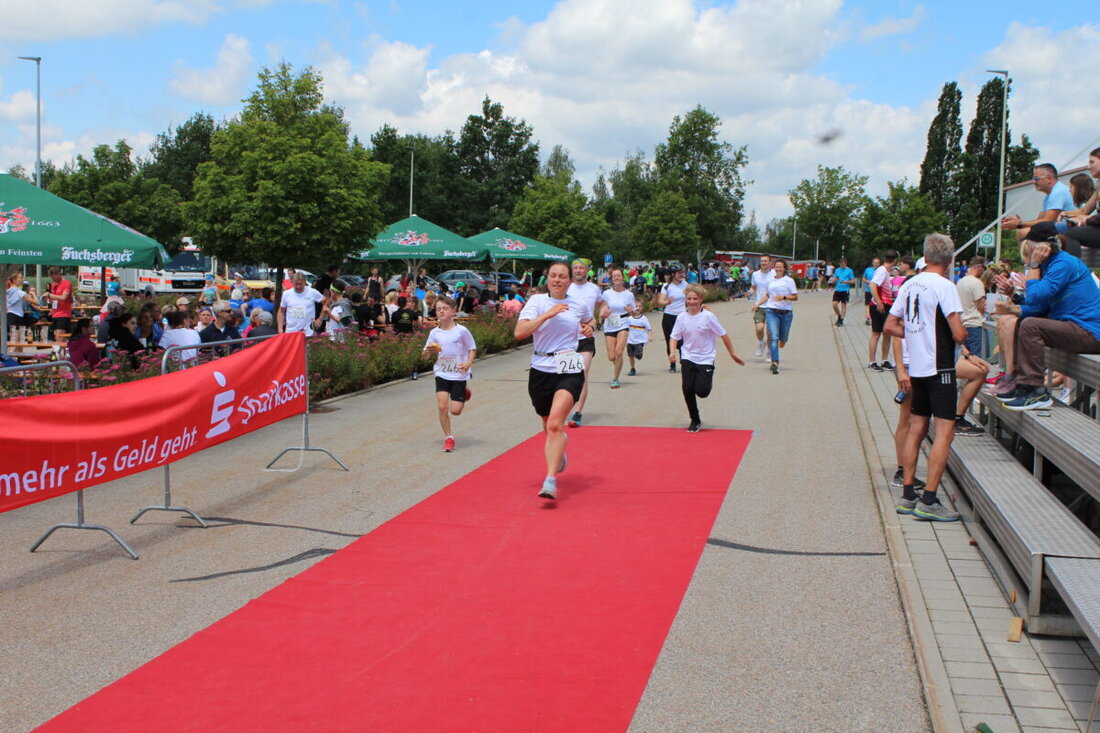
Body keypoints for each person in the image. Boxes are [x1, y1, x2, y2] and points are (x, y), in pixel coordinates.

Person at [884, 233, 967, 522]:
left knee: (916, 426)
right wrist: (957, 334)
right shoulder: (945, 286)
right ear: (949, 259)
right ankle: (929, 499)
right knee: (944, 431)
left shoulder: (910, 284)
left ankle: (908, 494)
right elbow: (958, 333)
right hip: (940, 366)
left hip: (917, 366)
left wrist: (914, 335)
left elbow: (890, 325)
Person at [991, 229, 1100, 410]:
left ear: (1038, 248)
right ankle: (1022, 384)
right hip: (1075, 327)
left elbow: (1035, 298)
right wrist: (1015, 301)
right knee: (1021, 323)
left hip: (1089, 331)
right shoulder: (1051, 265)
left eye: (1028, 251)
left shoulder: (1063, 264)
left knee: (1030, 325)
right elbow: (1041, 308)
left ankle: (1036, 391)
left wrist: (1034, 266)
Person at [515, 261, 594, 500]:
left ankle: (550, 481)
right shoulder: (537, 302)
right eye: (553, 276)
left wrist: (589, 328)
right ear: (547, 278)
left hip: (568, 366)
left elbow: (589, 321)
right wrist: (548, 314)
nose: (557, 279)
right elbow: (520, 333)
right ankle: (559, 448)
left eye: (562, 276)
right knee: (547, 422)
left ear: (570, 280)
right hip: (541, 368)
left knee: (555, 424)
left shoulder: (578, 304)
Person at [669, 283, 745, 431]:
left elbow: (723, 335)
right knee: (687, 388)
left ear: (701, 299)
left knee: (702, 392)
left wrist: (733, 353)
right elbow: (674, 337)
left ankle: (705, 381)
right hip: (688, 356)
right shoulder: (681, 317)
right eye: (689, 298)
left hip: (705, 358)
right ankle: (695, 420)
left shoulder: (708, 317)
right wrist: (672, 352)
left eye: (695, 299)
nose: (691, 302)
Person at [422, 297, 477, 453]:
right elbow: (424, 355)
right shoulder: (434, 333)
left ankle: (463, 393)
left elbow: (472, 348)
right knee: (442, 406)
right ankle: (449, 438)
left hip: (459, 374)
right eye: (438, 309)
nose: (441, 311)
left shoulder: (462, 331)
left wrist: (468, 363)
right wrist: (428, 352)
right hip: (442, 372)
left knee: (456, 411)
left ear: (453, 311)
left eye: (445, 308)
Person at [565, 258, 602, 427]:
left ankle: (578, 412)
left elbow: (602, 303)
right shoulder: (566, 287)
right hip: (566, 339)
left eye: (582, 268)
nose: (579, 270)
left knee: (582, 371)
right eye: (576, 268)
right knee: (567, 375)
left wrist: (604, 310)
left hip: (585, 337)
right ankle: (565, 406)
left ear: (588, 270)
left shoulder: (594, 289)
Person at [1001, 163, 1075, 243]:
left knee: (1024, 233)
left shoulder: (1058, 192)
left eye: (1036, 178)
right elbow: (1040, 220)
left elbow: (1047, 222)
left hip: (1070, 232)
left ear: (1049, 179)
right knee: (1024, 231)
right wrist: (1018, 223)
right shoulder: (1049, 195)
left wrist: (1020, 224)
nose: (1034, 182)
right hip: (1062, 230)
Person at [598, 265, 636, 388]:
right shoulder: (607, 293)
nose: (616, 277)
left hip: (623, 322)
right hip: (610, 324)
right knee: (612, 356)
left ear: (623, 278)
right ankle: (618, 366)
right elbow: (602, 307)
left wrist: (631, 310)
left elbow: (635, 312)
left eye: (618, 275)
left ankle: (615, 378)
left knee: (619, 352)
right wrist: (602, 316)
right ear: (611, 278)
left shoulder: (629, 295)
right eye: (614, 276)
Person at [761, 259, 798, 374]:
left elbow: (795, 297)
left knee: (783, 338)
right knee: (773, 337)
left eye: (780, 267)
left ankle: (784, 340)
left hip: (786, 313)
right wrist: (758, 304)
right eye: (776, 267)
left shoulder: (789, 281)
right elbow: (768, 295)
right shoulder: (771, 281)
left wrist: (784, 297)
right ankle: (775, 363)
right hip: (772, 311)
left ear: (784, 269)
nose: (778, 269)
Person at [868, 250, 898, 371]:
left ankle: (885, 360)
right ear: (895, 260)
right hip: (879, 306)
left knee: (887, 333)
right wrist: (878, 301)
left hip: (886, 304)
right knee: (876, 333)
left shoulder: (885, 271)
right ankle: (872, 362)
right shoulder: (882, 271)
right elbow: (872, 285)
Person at [656, 264, 689, 371]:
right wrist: (666, 302)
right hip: (669, 317)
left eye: (682, 272)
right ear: (673, 274)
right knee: (670, 341)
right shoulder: (666, 286)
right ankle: (672, 363)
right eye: (679, 273)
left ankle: (684, 361)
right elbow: (660, 302)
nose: (682, 275)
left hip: (683, 317)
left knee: (683, 341)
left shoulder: (686, 284)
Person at [956, 256, 988, 359]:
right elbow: (980, 305)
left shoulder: (960, 281)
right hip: (975, 324)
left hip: (963, 324)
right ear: (979, 267)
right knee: (980, 359)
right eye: (984, 269)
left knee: (967, 359)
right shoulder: (977, 283)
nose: (984, 272)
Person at [748, 255, 774, 358]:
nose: (763, 263)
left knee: (769, 333)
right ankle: (760, 342)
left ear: (770, 263)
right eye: (762, 261)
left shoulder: (774, 274)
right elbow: (754, 287)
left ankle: (769, 353)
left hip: (772, 306)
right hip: (760, 306)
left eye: (765, 261)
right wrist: (749, 292)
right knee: (759, 329)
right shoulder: (755, 274)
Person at [6, 270, 37, 342]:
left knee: (16, 343)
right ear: (14, 279)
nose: (22, 279)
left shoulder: (6, 292)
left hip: (9, 317)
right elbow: (37, 303)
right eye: (20, 277)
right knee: (16, 344)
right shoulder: (19, 292)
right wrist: (33, 294)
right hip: (17, 318)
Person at [625, 305, 652, 376]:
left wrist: (650, 336)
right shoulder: (629, 319)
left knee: (638, 355)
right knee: (630, 355)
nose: (638, 308)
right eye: (636, 306)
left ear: (642, 308)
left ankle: (639, 353)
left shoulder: (644, 319)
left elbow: (649, 328)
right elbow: (626, 330)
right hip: (630, 340)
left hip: (640, 341)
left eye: (640, 306)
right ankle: (632, 368)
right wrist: (625, 339)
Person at [47, 267, 73, 336]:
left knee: (60, 337)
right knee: (56, 337)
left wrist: (51, 296)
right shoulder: (53, 285)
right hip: (54, 313)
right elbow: (52, 299)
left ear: (59, 274)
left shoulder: (66, 283)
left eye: (54, 277)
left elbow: (64, 297)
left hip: (63, 314)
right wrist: (48, 299)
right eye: (52, 278)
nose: (53, 279)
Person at [831, 257, 856, 326]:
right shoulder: (837, 270)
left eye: (843, 264)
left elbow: (853, 281)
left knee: (843, 306)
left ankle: (841, 320)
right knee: (834, 305)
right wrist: (834, 280)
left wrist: (847, 281)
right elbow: (836, 278)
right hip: (837, 290)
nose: (842, 265)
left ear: (846, 263)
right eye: (841, 264)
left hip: (845, 290)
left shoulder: (849, 271)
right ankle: (839, 316)